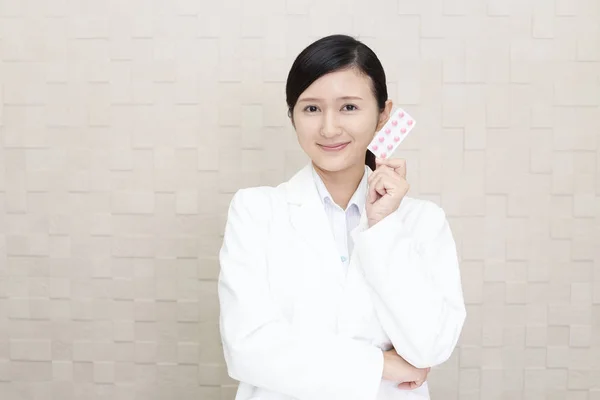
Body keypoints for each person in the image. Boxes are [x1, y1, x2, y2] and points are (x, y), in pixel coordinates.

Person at [217, 34, 466, 400]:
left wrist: (383, 227)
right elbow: (247, 349)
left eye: (349, 107)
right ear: (293, 116)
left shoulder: (423, 222)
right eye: (311, 109)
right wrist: (380, 366)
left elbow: (430, 346)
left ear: (384, 114)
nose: (329, 128)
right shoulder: (255, 212)